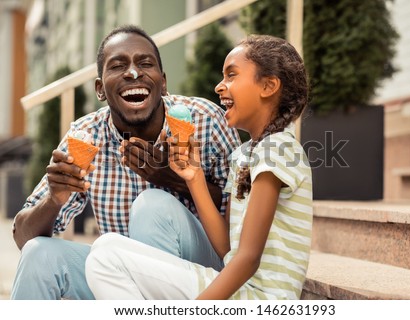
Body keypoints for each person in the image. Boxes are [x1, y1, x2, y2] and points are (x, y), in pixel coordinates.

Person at [11, 24, 240, 300]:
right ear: (100, 89)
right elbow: (22, 237)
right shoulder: (86, 137)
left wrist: (171, 178)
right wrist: (54, 199)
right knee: (39, 254)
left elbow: (242, 216)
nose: (133, 73)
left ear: (163, 82)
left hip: (200, 276)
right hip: (116, 278)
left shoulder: (205, 119)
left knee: (151, 204)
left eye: (145, 63)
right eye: (118, 66)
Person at [85, 34, 313, 300]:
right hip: (240, 291)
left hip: (263, 299)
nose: (219, 86)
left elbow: (248, 259)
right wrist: (193, 178)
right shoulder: (243, 156)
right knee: (107, 247)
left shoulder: (278, 149)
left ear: (268, 86)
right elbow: (229, 248)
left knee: (105, 258)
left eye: (232, 75)